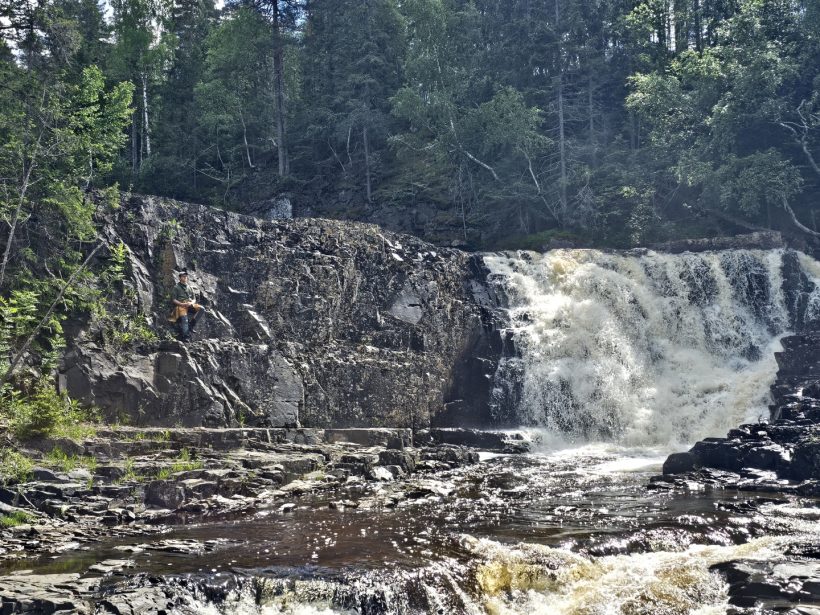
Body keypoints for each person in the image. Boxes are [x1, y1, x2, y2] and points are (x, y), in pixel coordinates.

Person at [169, 270, 205, 342]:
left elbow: (194, 299)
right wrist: (182, 304)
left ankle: (191, 325)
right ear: (180, 278)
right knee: (184, 319)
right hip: (181, 305)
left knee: (202, 309)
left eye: (186, 276)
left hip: (190, 304)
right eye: (183, 276)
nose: (185, 277)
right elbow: (174, 299)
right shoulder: (176, 287)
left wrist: (191, 303)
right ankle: (186, 336)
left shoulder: (189, 287)